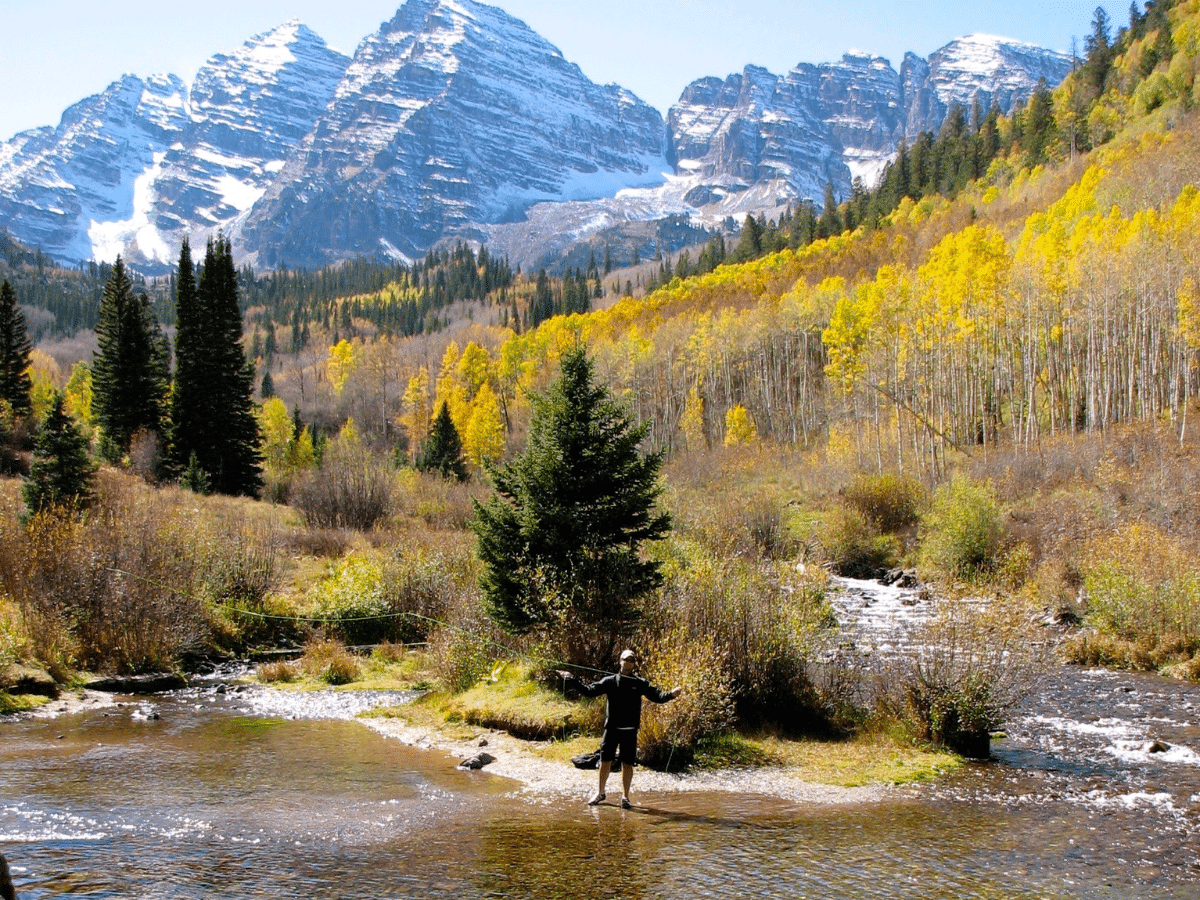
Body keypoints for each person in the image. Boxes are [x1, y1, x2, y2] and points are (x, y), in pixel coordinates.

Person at [557, 648, 681, 809]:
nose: (628, 663)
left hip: (630, 731)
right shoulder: (610, 681)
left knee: (627, 763)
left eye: (631, 660)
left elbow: (657, 696)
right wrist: (570, 678)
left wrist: (672, 694)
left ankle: (625, 797)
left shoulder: (640, 683)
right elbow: (588, 691)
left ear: (634, 664)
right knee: (605, 761)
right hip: (611, 730)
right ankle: (600, 793)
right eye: (625, 660)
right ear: (620, 661)